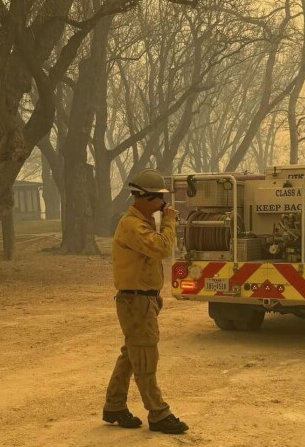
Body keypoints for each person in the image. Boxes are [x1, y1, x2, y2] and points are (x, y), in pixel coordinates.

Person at [102, 169, 189, 435]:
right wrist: (169, 222)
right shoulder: (133, 225)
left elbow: (146, 263)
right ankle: (159, 413)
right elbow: (161, 248)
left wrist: (154, 293)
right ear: (144, 198)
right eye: (159, 200)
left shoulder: (143, 221)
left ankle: (115, 406)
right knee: (146, 357)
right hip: (135, 302)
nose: (162, 204)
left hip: (142, 299)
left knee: (133, 354)